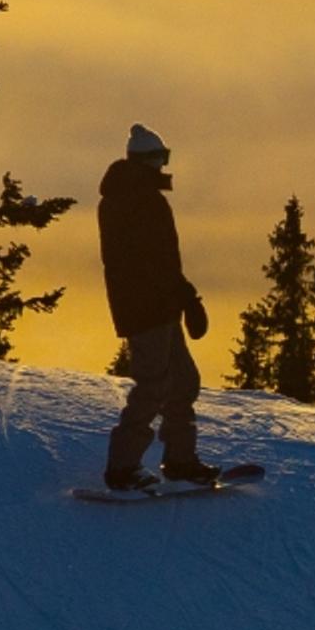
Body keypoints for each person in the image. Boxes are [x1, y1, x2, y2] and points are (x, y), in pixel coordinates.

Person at [96, 123, 218, 490]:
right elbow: (152, 260)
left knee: (182, 381)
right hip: (146, 308)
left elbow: (161, 261)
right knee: (154, 384)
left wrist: (184, 297)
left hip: (158, 306)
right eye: (161, 157)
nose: (164, 165)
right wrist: (185, 296)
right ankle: (122, 466)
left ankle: (180, 459)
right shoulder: (137, 200)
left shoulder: (135, 197)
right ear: (147, 160)